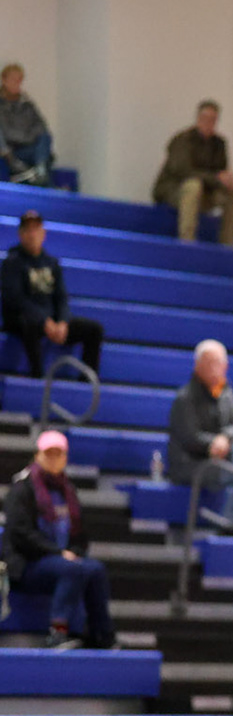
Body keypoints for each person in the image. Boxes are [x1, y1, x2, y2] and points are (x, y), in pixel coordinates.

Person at [2, 431, 113, 649]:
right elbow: (20, 534)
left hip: (60, 560)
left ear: (65, 458)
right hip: (28, 563)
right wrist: (57, 552)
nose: (53, 459)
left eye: (58, 454)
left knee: (95, 569)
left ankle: (103, 635)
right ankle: (58, 633)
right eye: (48, 454)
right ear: (37, 456)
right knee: (72, 569)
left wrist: (75, 552)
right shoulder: (22, 489)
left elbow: (80, 534)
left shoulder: (68, 490)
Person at [167, 339, 233, 531]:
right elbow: (190, 438)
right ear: (197, 366)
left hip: (219, 460)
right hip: (191, 464)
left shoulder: (226, 394)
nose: (215, 368)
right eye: (209, 363)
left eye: (219, 363)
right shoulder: (185, 398)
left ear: (226, 366)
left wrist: (225, 438)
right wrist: (213, 443)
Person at [2, 211, 104, 378]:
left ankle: (87, 384)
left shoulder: (52, 263)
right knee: (30, 323)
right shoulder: (12, 262)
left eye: (36, 229)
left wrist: (63, 322)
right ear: (21, 234)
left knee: (94, 330)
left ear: (43, 233)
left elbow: (61, 297)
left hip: (50, 321)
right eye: (28, 230)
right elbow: (16, 299)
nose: (32, 234)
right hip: (25, 321)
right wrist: (44, 321)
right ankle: (37, 378)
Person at [152, 100, 233, 246]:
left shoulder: (219, 144)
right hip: (175, 190)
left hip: (205, 193)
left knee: (232, 193)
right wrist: (215, 178)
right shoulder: (183, 140)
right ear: (198, 118)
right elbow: (183, 171)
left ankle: (228, 243)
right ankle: (187, 240)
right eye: (205, 118)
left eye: (212, 119)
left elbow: (220, 172)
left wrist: (227, 180)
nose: (208, 122)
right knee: (193, 186)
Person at [0, 64, 54, 185]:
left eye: (19, 80)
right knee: (44, 157)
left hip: (30, 148)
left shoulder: (27, 104)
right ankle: (40, 176)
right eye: (13, 79)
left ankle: (40, 172)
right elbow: (5, 135)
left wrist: (28, 138)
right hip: (11, 152)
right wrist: (26, 137)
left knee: (45, 140)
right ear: (4, 80)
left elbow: (41, 127)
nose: (17, 83)